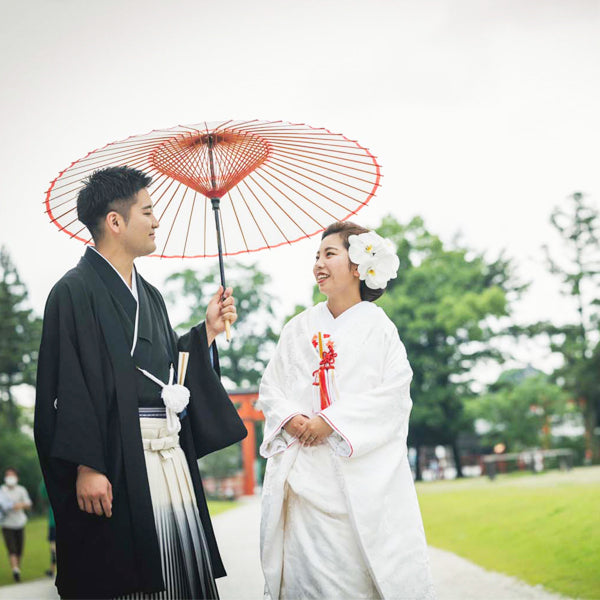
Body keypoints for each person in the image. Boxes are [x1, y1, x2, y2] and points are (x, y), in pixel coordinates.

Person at [34, 166, 247, 599]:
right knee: (126, 577)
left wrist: (205, 332)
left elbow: (166, 368)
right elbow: (67, 384)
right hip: (115, 457)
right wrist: (87, 464)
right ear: (115, 222)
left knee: (178, 576)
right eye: (147, 212)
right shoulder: (72, 291)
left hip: (166, 456)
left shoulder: (150, 295)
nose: (156, 222)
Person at [258, 222, 436, 600]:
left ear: (358, 266)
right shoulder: (298, 327)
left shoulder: (380, 328)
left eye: (329, 254)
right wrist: (290, 416)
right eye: (316, 256)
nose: (319, 263)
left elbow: (394, 395)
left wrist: (332, 421)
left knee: (358, 580)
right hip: (306, 476)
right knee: (308, 582)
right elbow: (271, 386)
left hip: (361, 477)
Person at [0, 467, 32, 583]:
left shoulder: (21, 490)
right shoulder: (2, 490)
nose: (10, 478)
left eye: (12, 475)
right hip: (7, 524)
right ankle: (15, 570)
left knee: (19, 549)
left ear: (17, 477)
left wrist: (20, 505)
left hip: (20, 522)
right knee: (12, 548)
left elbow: (28, 503)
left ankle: (17, 568)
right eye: (8, 475)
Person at [38, 480, 56, 577]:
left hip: (53, 520)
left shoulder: (46, 481)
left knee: (53, 543)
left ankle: (52, 569)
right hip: (66, 519)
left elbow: (43, 493)